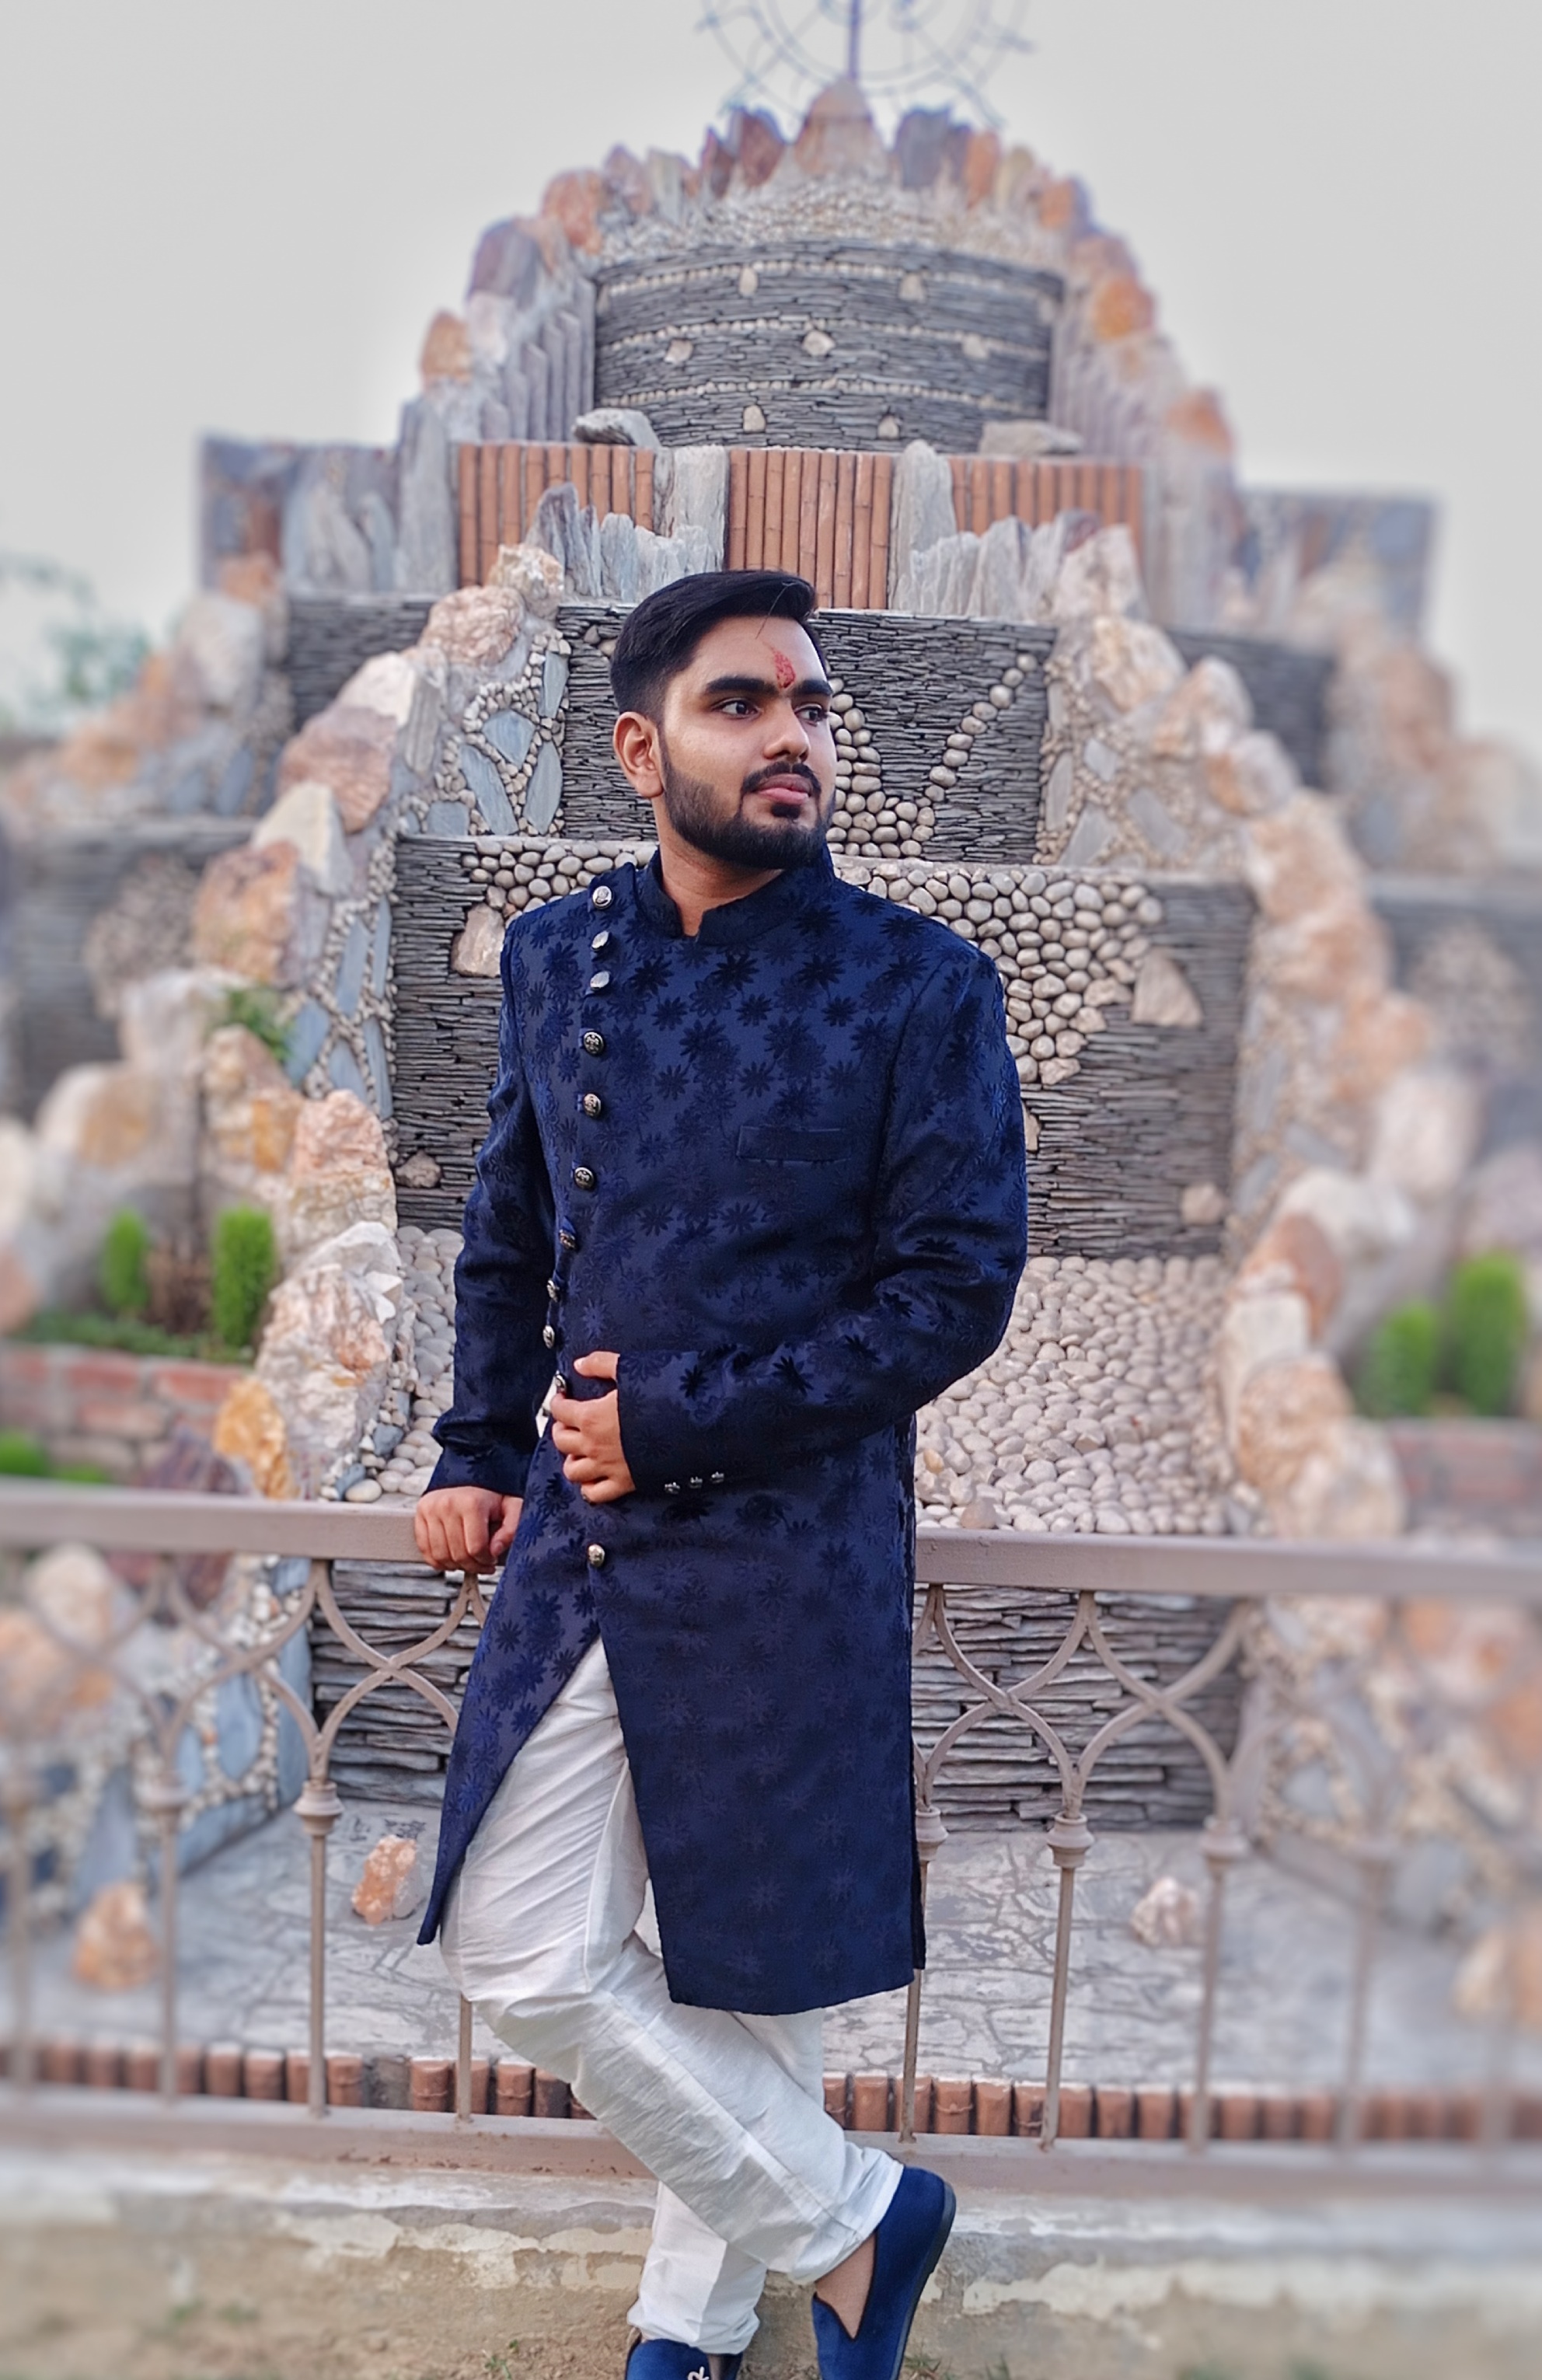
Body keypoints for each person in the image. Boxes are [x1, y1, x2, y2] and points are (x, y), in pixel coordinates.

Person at [413, 568, 1027, 2380]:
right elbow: (507, 1230)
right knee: (524, 1946)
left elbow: (954, 1290)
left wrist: (680, 1418)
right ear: (640, 747)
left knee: (753, 1953)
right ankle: (855, 2224)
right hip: (583, 1539)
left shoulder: (918, 984)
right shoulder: (558, 957)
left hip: (792, 1535)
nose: (792, 736)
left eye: (811, 705)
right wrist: (474, 1445)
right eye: (742, 703)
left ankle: (691, 2322)